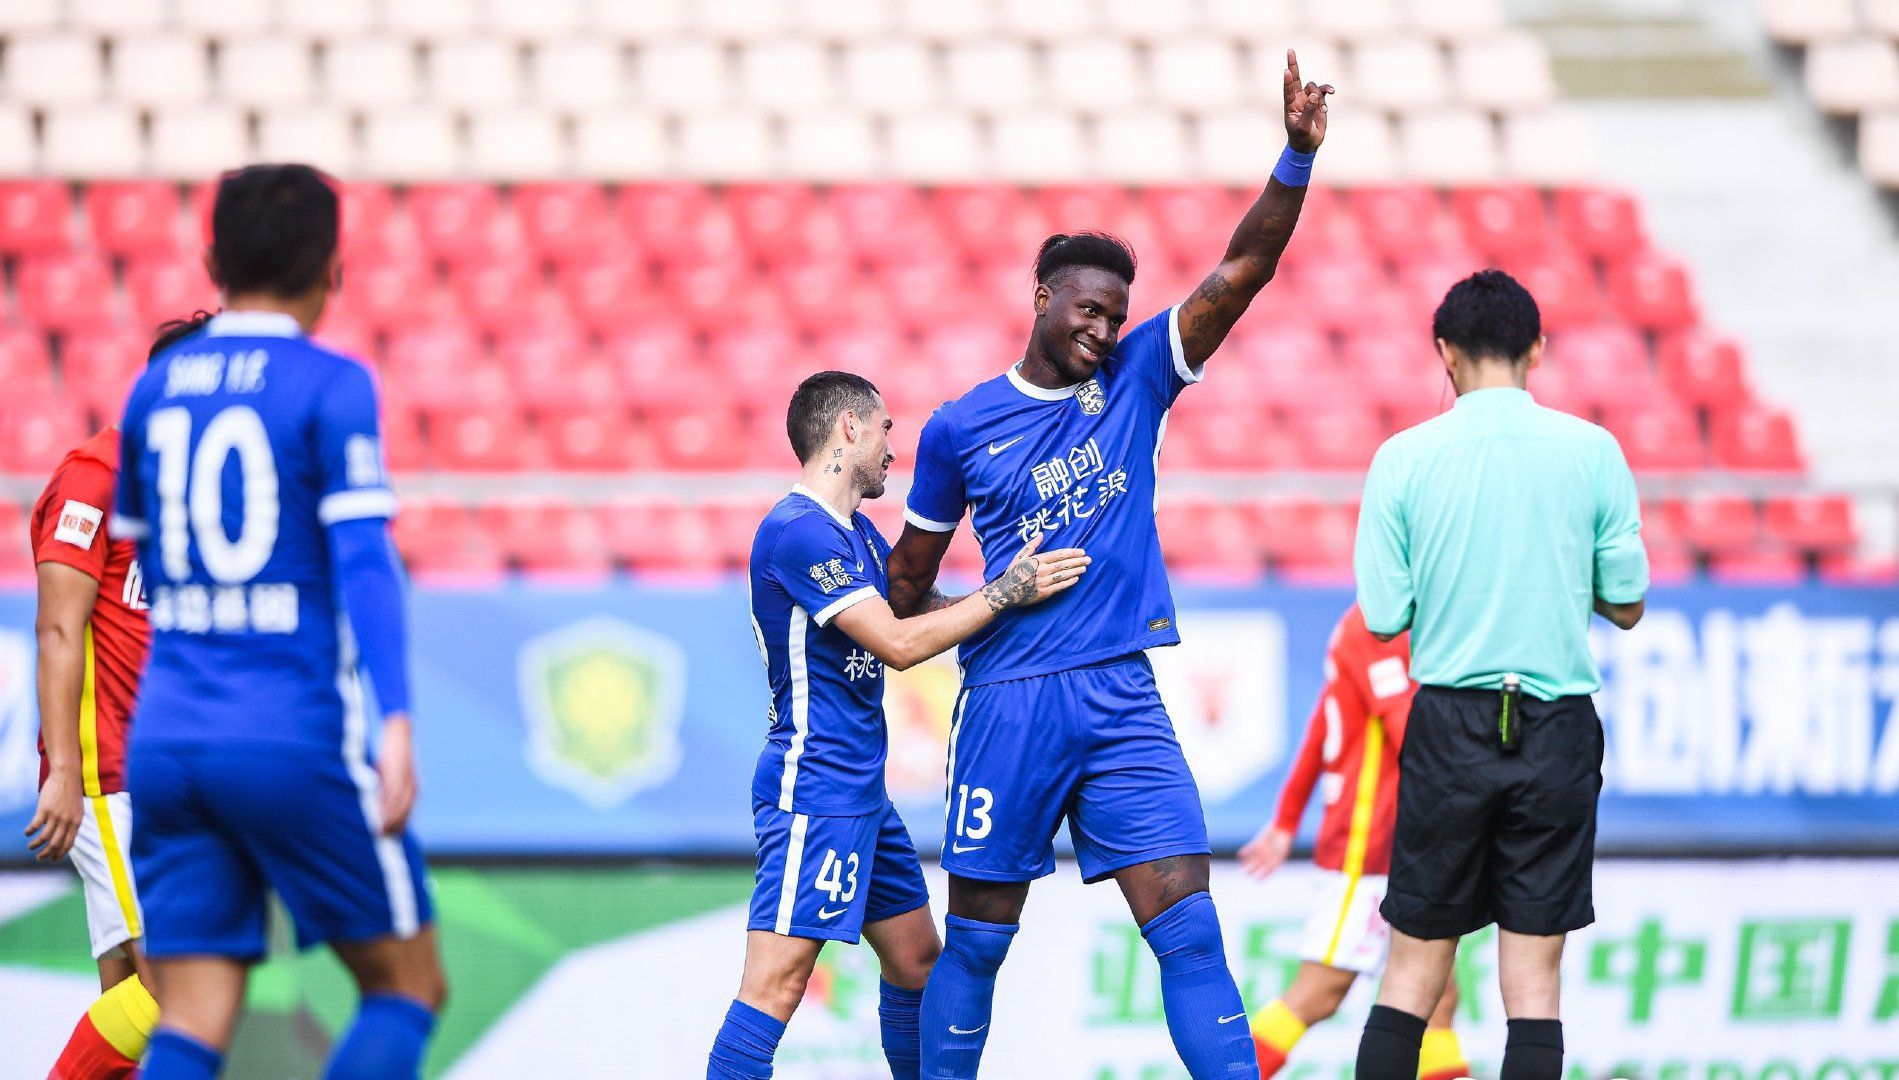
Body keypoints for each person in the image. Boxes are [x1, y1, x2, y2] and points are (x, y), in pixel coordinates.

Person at [885, 51, 1333, 1079]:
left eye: (1115, 315)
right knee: (983, 940)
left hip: (1123, 696)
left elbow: (1241, 271)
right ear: (1042, 296)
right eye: (1085, 308)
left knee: (1187, 929)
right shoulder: (961, 426)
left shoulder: (1137, 379)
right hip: (1011, 702)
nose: (1101, 328)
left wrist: (1295, 159)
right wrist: (989, 607)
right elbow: (909, 590)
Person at [113, 164, 447, 1080]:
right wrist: (397, 719)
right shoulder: (331, 384)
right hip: (289, 732)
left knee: (191, 1014)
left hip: (169, 736)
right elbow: (365, 560)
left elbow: (146, 561)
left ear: (213, 259)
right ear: (331, 270)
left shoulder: (155, 390)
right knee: (406, 987)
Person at [707, 372, 1089, 1079]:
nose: (893, 448)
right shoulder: (796, 533)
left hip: (861, 793)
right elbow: (899, 644)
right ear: (847, 428)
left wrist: (1017, 601)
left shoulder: (854, 532)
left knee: (917, 963)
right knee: (775, 987)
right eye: (885, 429)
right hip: (812, 788)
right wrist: (1008, 593)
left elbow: (921, 610)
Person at [1350, 270, 1648, 1079]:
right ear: (1536, 349)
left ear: (1443, 354)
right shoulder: (1592, 451)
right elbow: (1625, 604)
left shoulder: (1403, 457)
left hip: (1448, 722)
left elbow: (1383, 615)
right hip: (1554, 727)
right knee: (1534, 982)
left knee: (1411, 972)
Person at [26, 317, 207, 1080]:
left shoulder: (181, 492)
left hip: (158, 771)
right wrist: (66, 772)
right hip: (108, 774)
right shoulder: (94, 475)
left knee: (132, 993)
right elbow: (59, 627)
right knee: (174, 980)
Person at [1238, 604, 1467, 1080]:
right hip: (1368, 852)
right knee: (1319, 991)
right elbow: (1413, 734)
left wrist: (1285, 821)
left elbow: (1322, 724)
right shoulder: (1377, 626)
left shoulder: (1371, 624)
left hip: (1405, 846)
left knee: (1439, 999)